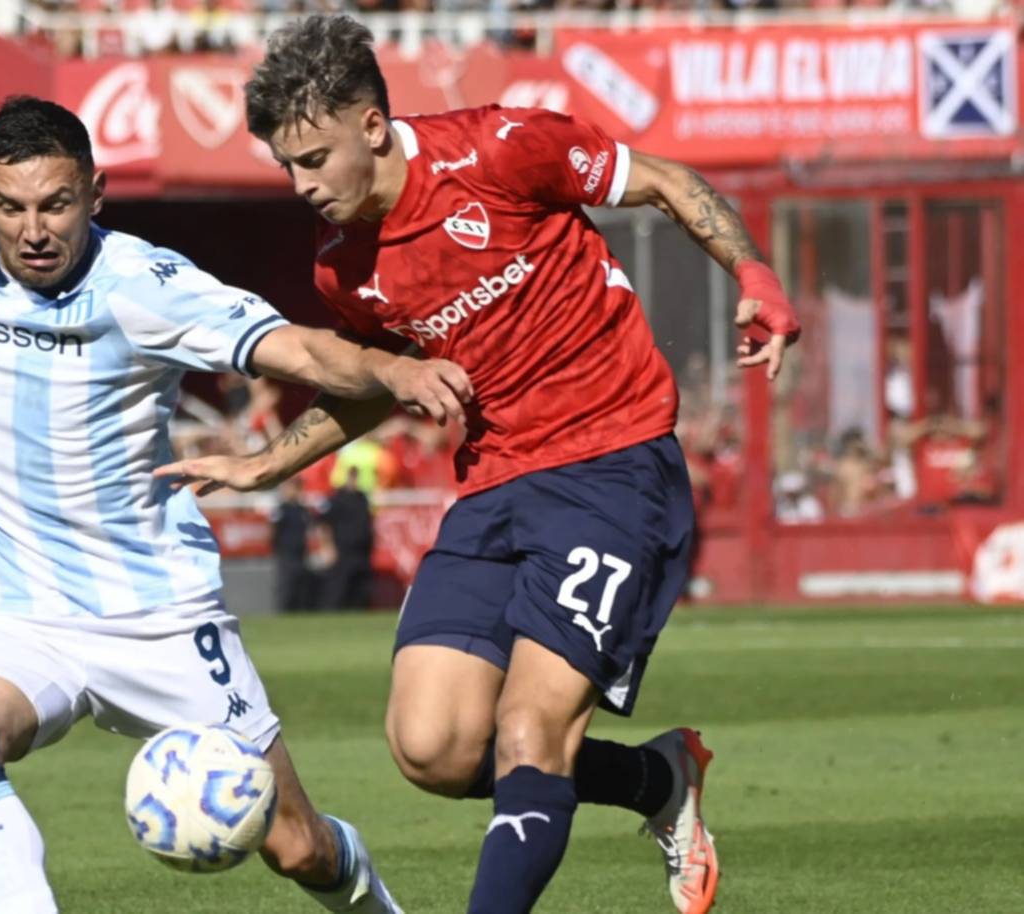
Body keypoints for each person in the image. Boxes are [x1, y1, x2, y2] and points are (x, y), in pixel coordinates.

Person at [0, 96, 475, 914]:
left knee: (298, 847)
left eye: (55, 205)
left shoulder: (145, 286)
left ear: (95, 193)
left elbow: (296, 348)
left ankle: (367, 890)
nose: (32, 231)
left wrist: (395, 371)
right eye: (9, 207)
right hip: (13, 614)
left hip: (154, 615)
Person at [155, 16, 803, 914]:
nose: (301, 185)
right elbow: (382, 385)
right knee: (433, 751)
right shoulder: (345, 268)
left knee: (530, 730)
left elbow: (663, 181)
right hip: (494, 485)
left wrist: (754, 276)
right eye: (286, 166)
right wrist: (267, 464)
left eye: (313, 159)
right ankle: (656, 780)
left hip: (611, 466)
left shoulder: (500, 149)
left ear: (372, 127)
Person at [320, 467, 374, 610]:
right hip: (342, 550)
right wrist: (328, 546)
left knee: (360, 592)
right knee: (338, 590)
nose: (353, 480)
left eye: (355, 477)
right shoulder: (335, 498)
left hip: (361, 551)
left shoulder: (362, 498)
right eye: (351, 476)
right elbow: (324, 524)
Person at [271, 476, 315, 611]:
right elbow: (274, 531)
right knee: (286, 585)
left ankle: (300, 611)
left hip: (300, 553)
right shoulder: (281, 509)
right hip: (286, 553)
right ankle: (284, 611)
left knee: (300, 584)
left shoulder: (303, 510)